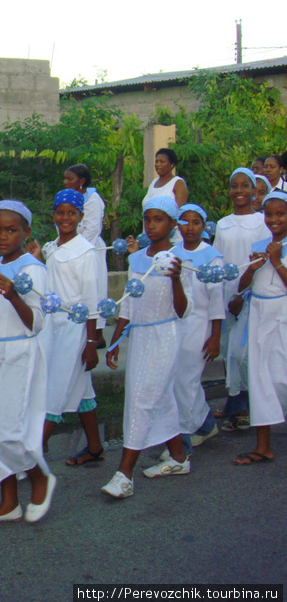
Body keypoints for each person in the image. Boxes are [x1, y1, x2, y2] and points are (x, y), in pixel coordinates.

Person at [0, 200, 55, 524]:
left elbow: (37, 322)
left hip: (20, 355)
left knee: (7, 430)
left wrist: (15, 295)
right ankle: (8, 503)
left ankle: (39, 476)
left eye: (11, 230)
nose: (3, 236)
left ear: (26, 231)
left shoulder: (33, 270)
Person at [103, 196, 192, 499]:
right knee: (160, 395)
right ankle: (178, 458)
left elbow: (183, 310)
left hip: (166, 336)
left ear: (171, 223)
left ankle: (124, 474)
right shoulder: (136, 259)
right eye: (148, 220)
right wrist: (116, 338)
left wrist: (177, 280)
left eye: (159, 220)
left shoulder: (180, 258)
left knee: (142, 397)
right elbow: (129, 300)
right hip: (140, 337)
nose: (152, 226)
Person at [37, 190, 104, 466]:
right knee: (81, 390)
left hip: (74, 331)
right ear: (54, 215)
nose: (66, 218)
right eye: (61, 212)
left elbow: (91, 299)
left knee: (54, 391)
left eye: (71, 213)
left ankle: (32, 456)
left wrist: (91, 343)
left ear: (80, 217)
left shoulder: (85, 252)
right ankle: (96, 447)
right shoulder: (53, 247)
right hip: (54, 327)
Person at [232, 190, 287, 465]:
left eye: (280, 214)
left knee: (281, 377)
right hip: (258, 316)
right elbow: (243, 286)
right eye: (269, 214)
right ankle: (263, 445)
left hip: (283, 316)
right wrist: (254, 268)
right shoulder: (260, 243)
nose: (273, 219)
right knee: (259, 379)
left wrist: (276, 260)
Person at [214, 169, 268, 432]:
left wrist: (241, 295)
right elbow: (217, 261)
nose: (238, 191)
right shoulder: (223, 224)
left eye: (244, 186)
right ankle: (236, 405)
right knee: (228, 352)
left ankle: (247, 406)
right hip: (226, 295)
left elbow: (260, 262)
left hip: (249, 295)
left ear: (253, 189)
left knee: (243, 353)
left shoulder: (261, 222)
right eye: (234, 186)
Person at [170, 204, 224, 455]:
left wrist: (215, 336)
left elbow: (216, 300)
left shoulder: (211, 256)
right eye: (184, 222)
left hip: (200, 323)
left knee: (186, 378)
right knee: (179, 378)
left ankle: (185, 436)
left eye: (195, 223)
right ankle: (205, 424)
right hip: (177, 323)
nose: (189, 228)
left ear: (204, 227)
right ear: (177, 225)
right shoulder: (172, 252)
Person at [62, 164, 109, 347]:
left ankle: (97, 335)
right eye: (65, 179)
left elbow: (91, 228)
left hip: (89, 249)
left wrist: (75, 247)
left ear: (81, 181)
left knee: (94, 291)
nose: (65, 183)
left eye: (70, 179)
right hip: (70, 247)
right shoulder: (68, 198)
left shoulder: (93, 199)